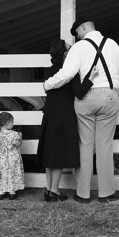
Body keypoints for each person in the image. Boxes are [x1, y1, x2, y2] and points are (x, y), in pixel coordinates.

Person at [43, 16, 119, 203]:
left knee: (85, 145)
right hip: (108, 95)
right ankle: (106, 193)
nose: (78, 37)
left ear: (83, 28)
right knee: (105, 145)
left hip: (86, 98)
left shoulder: (80, 47)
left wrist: (48, 84)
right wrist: (109, 81)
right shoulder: (112, 44)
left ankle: (83, 194)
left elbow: (67, 73)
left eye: (78, 33)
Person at [36, 39, 80, 202]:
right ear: (65, 53)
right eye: (69, 48)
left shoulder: (50, 71)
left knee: (50, 155)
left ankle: (49, 189)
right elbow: (79, 92)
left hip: (49, 114)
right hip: (64, 115)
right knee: (58, 156)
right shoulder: (69, 71)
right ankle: (54, 190)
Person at [0, 112, 23, 200]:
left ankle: (1, 192)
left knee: (2, 173)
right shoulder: (14, 134)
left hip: (2, 158)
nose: (12, 124)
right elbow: (17, 145)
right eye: (12, 122)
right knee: (12, 173)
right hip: (12, 157)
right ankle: (12, 192)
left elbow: (0, 143)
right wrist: (21, 137)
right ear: (7, 123)